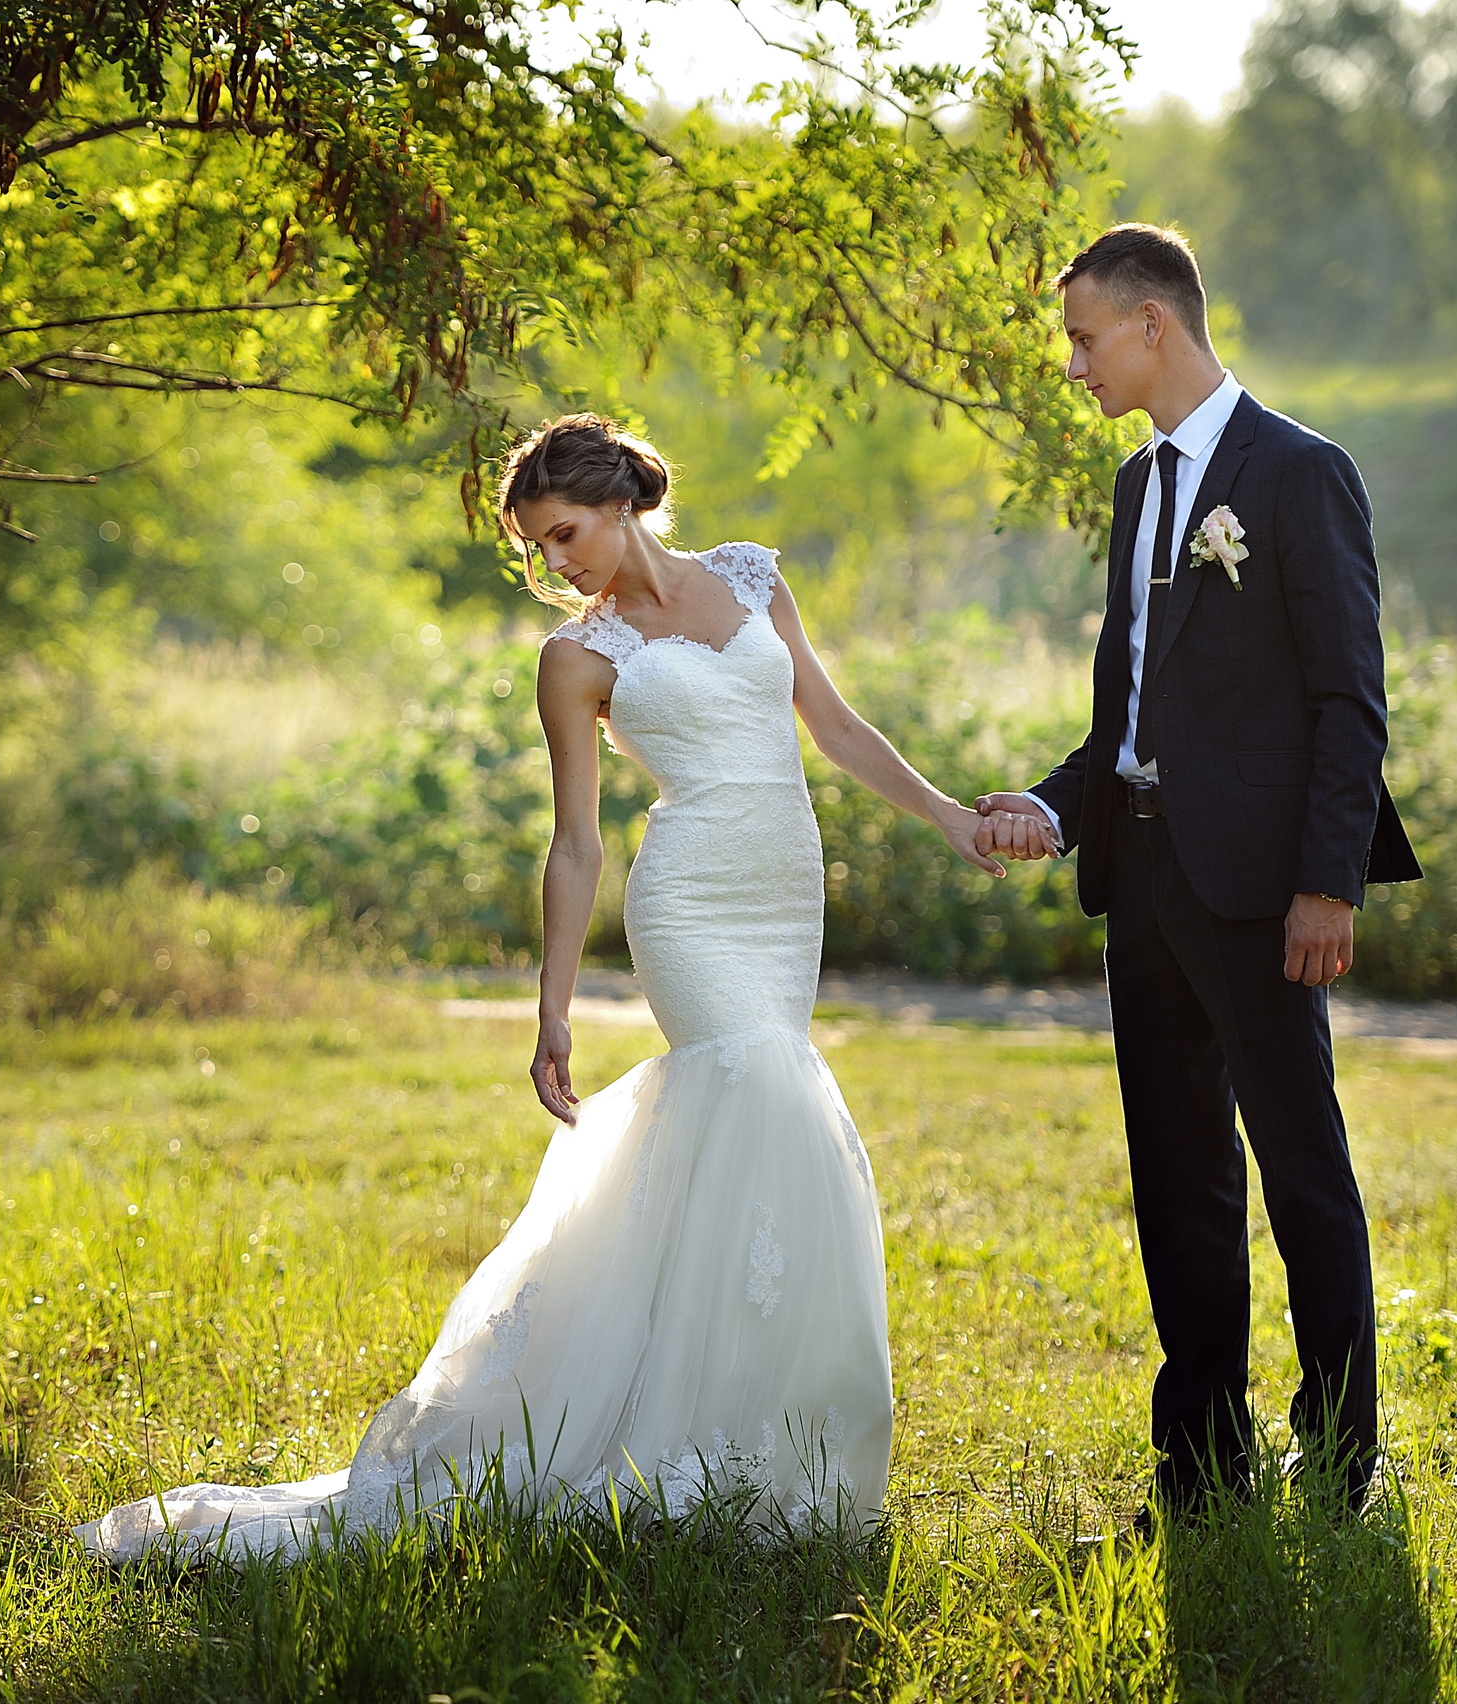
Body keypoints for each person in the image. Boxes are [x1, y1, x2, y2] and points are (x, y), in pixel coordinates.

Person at [78, 414, 1009, 1561]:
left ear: (622, 501)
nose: (556, 565)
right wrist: (553, 1006)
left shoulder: (754, 581)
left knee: (755, 1138)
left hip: (783, 894)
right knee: (769, 1097)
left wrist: (954, 821)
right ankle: (693, 1447)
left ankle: (764, 1443)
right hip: (690, 904)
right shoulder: (578, 658)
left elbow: (834, 724)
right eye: (538, 549)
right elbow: (576, 844)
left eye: (564, 535)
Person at [973, 224, 1421, 1526]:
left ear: (1153, 324)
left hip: (1264, 888)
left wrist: (1328, 883)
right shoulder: (1136, 489)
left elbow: (1349, 699)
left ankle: (1339, 1458)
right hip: (1148, 879)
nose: (1075, 366)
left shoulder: (1299, 474)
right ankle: (1202, 1459)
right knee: (1176, 1170)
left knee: (1302, 1168)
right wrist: (1054, 810)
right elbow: (1127, 709)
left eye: (1083, 338)